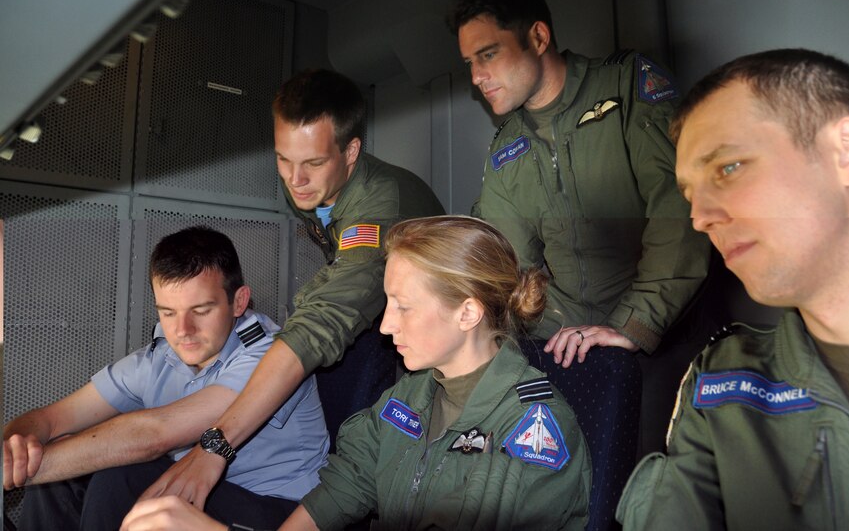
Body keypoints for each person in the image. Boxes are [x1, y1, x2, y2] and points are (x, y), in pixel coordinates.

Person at [122, 216, 592, 531]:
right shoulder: (405, 403)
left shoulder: (532, 432)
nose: (386, 326)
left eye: (403, 307)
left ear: (467, 313)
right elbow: (335, 495)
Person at [447, 0, 711, 497]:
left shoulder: (628, 90)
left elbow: (679, 214)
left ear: (539, 38)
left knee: (649, 492)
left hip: (662, 333)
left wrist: (632, 326)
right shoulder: (508, 151)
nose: (477, 76)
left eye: (489, 55)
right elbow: (507, 267)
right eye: (470, 64)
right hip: (569, 345)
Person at [140, 69, 444, 508]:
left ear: (351, 151)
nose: (295, 180)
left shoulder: (381, 206)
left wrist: (216, 446)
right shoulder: (309, 188)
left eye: (313, 163)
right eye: (284, 159)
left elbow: (332, 310)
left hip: (430, 323)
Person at [617, 48, 849, 530]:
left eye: (728, 168)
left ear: (846, 151)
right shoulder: (721, 386)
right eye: (689, 194)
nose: (700, 217)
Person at [2, 226, 329, 531]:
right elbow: (51, 418)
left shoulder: (271, 354)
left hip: (281, 511)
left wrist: (28, 469)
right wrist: (17, 447)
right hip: (200, 488)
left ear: (238, 301)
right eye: (168, 313)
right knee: (61, 480)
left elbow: (154, 434)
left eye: (201, 310)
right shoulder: (159, 358)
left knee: (123, 475)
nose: (182, 330)